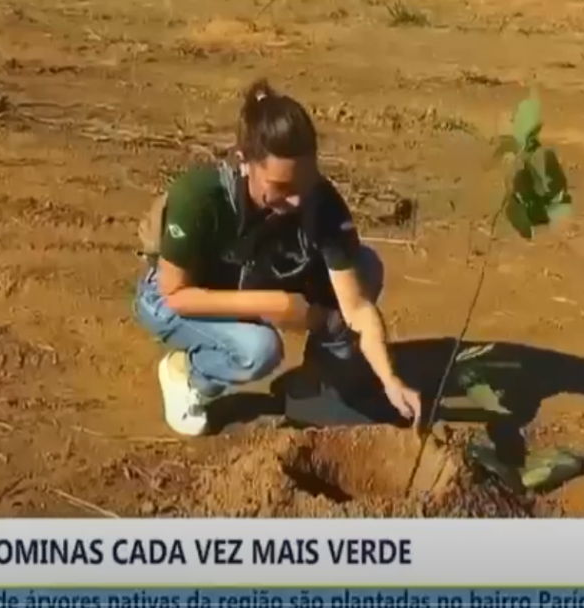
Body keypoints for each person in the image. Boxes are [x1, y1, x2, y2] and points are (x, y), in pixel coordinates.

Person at [133, 78, 422, 436]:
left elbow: (357, 308)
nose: (298, 200)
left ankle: (314, 382)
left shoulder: (321, 203)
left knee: (365, 266)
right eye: (282, 188)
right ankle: (188, 373)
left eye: (305, 183)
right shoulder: (200, 198)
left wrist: (390, 380)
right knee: (259, 349)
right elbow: (175, 294)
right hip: (178, 298)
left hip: (253, 278)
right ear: (244, 162)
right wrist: (278, 304)